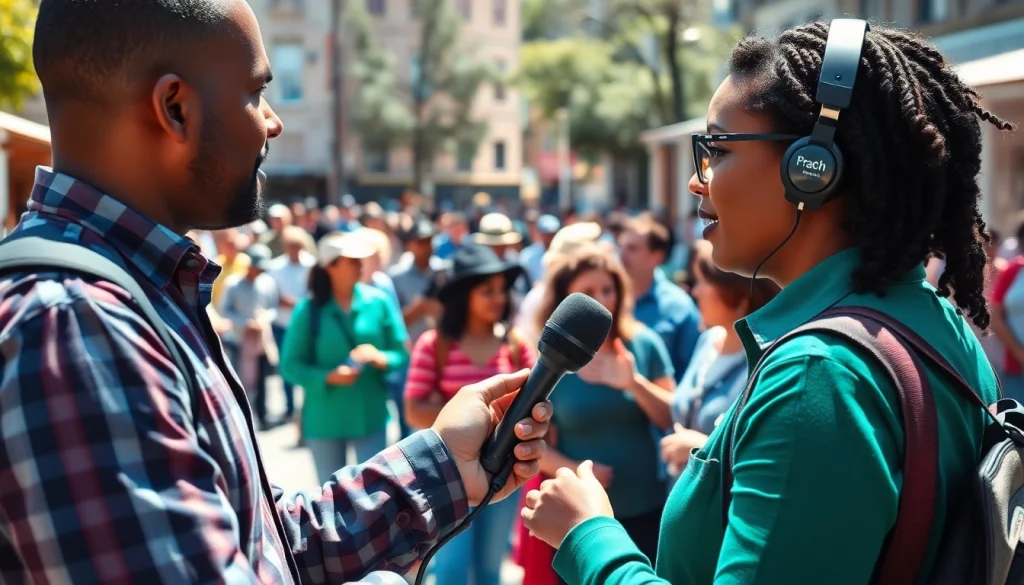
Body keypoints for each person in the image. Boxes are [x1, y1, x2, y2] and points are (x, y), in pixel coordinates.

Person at [0, 1, 553, 583]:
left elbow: (261, 542)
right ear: (175, 108)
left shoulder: (131, 292)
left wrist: (443, 460)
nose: (272, 121)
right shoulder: (76, 324)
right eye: (255, 92)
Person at [521, 20, 1006, 585]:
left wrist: (590, 538)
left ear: (812, 170)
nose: (697, 183)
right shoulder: (937, 326)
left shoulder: (816, 376)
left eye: (718, 149)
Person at [529, 246, 676, 564]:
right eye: (588, 292)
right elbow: (533, 443)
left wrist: (634, 384)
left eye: (607, 290)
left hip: (645, 508)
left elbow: (671, 418)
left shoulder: (643, 344)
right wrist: (576, 468)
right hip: (577, 518)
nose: (601, 299)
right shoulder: (552, 361)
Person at [404, 243, 535, 585]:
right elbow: (414, 410)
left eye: (501, 290)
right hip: (447, 478)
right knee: (450, 570)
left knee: (490, 569)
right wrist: (478, 415)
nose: (498, 298)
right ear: (464, 296)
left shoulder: (515, 344)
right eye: (486, 291)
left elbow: (536, 401)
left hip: (502, 475)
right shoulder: (435, 344)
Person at [279, 232, 409, 481]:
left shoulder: (378, 301)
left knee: (375, 494)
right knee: (330, 501)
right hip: (325, 418)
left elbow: (401, 352)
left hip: (370, 413)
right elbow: (290, 365)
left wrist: (380, 358)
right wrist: (328, 376)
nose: (361, 266)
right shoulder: (308, 310)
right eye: (352, 261)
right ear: (331, 266)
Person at [660, 241, 780, 485]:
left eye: (704, 282)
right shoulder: (707, 340)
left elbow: (768, 458)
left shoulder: (767, 361)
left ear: (737, 295)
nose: (695, 292)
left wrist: (703, 447)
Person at [618, 215, 702, 384]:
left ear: (656, 257)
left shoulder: (679, 307)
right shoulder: (606, 298)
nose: (622, 255)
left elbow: (691, 375)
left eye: (632, 248)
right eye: (621, 247)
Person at [219, 243, 280, 429]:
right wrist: (245, 323)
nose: (259, 272)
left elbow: (273, 308)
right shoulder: (233, 284)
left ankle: (262, 415)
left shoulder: (267, 283)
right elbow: (224, 310)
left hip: (261, 340)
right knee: (241, 380)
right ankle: (243, 417)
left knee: (262, 380)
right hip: (239, 339)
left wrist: (263, 319)